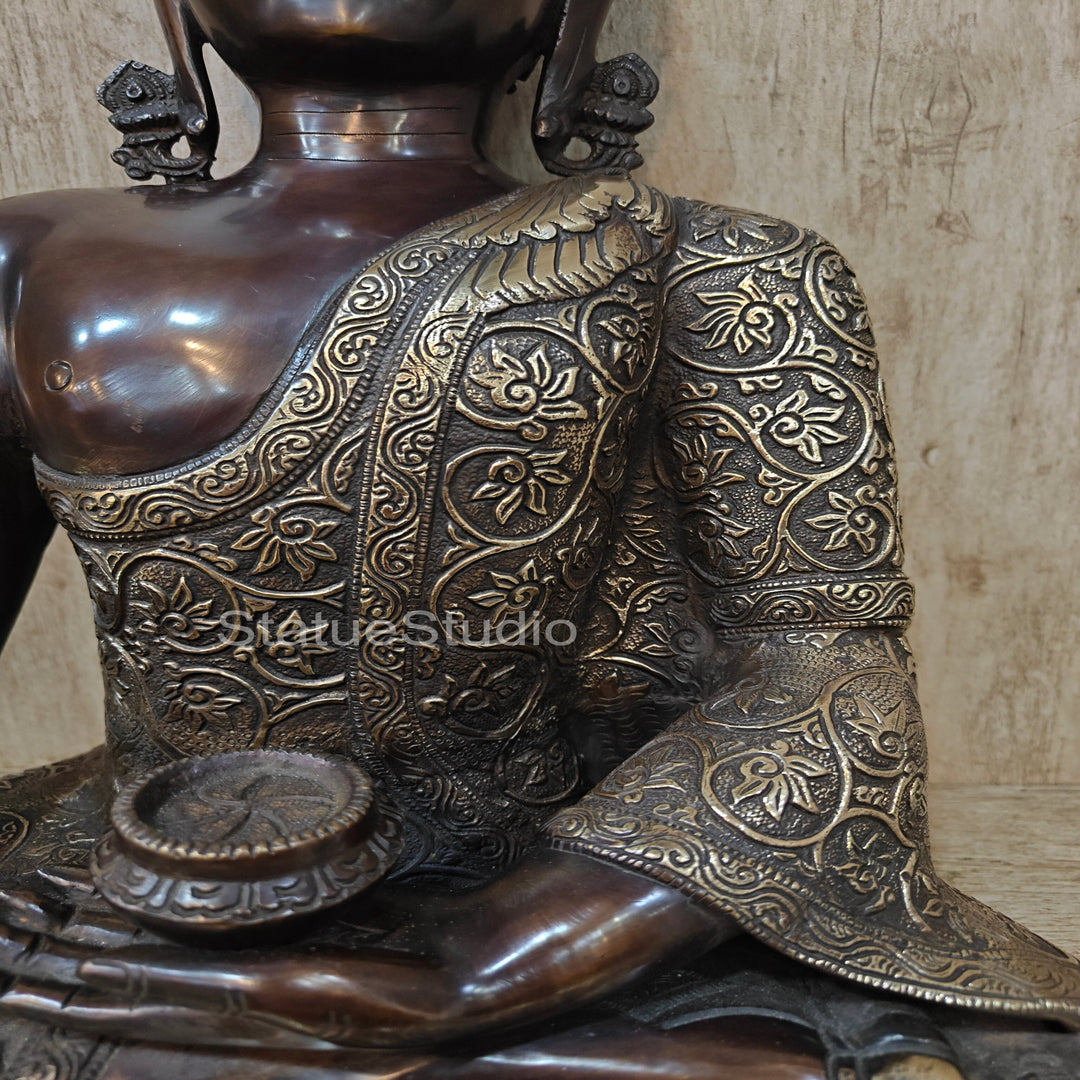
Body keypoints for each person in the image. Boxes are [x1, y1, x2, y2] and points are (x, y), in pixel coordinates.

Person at [0, 1, 1076, 1077]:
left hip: (566, 896)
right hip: (131, 873)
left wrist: (483, 972)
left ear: (568, 18)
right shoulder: (26, 256)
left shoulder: (726, 265)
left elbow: (832, 684)